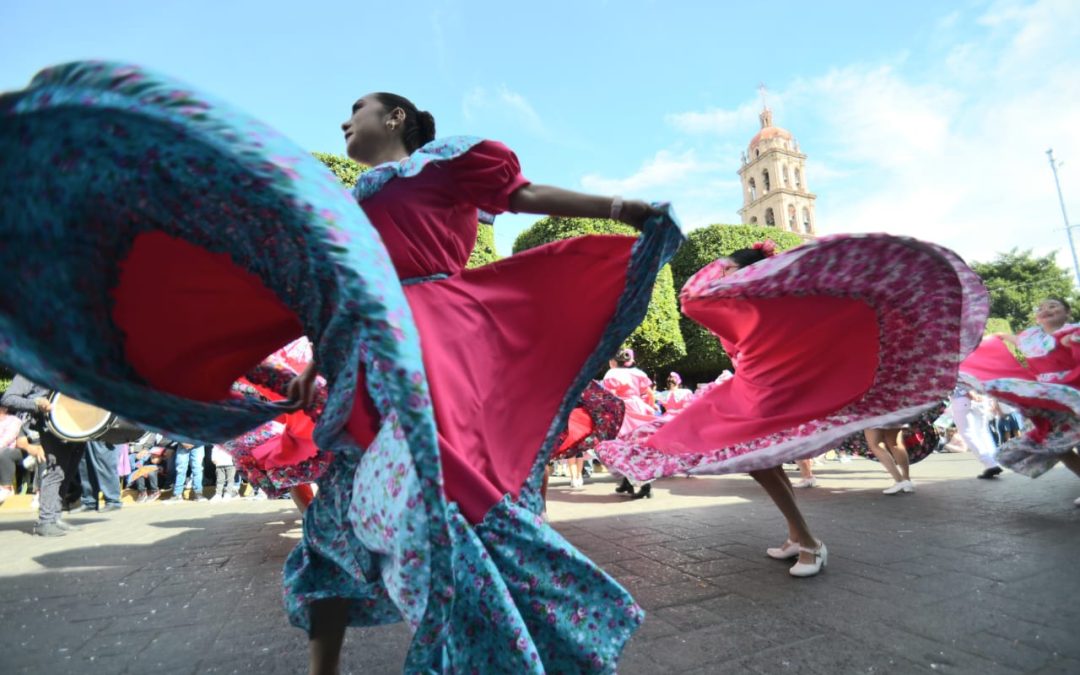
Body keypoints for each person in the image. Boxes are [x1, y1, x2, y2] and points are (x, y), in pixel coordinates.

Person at [0, 63, 683, 673]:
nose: (343, 121)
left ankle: (506, 631)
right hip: (361, 354)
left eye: (354, 109)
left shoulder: (444, 162)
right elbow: (332, 291)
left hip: (439, 341)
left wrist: (625, 209)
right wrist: (314, 364)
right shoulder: (344, 208)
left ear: (394, 118)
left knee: (450, 495)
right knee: (334, 519)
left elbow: (524, 196)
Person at [599, 235, 987, 577]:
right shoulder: (743, 304)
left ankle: (809, 541)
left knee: (757, 463)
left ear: (743, 273)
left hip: (770, 392)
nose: (721, 280)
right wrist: (739, 263)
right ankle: (796, 533)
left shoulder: (765, 300)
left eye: (729, 273)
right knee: (759, 462)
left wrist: (726, 261)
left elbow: (689, 295)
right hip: (751, 389)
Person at [960, 298, 1080, 502]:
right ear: (1037, 317)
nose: (1047, 310)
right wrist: (995, 337)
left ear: (1067, 313)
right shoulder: (1031, 337)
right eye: (1042, 307)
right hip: (1046, 400)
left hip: (1072, 394)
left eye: (1053, 306)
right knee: (1059, 448)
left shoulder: (1073, 332)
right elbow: (1009, 338)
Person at [1, 375, 87, 536]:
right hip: (50, 426)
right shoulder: (30, 370)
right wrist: (36, 403)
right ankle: (45, 521)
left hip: (75, 424)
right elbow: (8, 398)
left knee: (67, 472)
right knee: (55, 472)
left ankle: (55, 517)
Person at [601, 349, 661, 499]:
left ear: (614, 361)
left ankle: (645, 485)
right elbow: (649, 393)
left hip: (623, 409)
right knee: (638, 446)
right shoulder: (638, 373)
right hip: (638, 406)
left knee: (624, 447)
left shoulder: (612, 373)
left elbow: (610, 395)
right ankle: (628, 481)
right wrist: (650, 407)